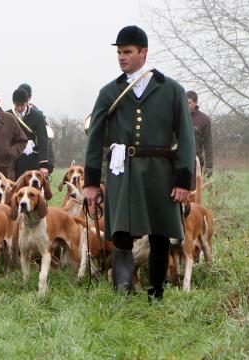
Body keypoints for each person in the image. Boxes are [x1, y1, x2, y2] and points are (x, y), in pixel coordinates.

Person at [83, 25, 195, 302]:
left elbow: (186, 137)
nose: (122, 57)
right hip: (124, 172)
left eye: (127, 52)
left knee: (160, 234)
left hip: (160, 170)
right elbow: (95, 138)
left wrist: (183, 181)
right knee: (121, 232)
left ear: (143, 52)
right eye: (119, 52)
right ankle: (123, 291)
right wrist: (91, 183)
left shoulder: (171, 90)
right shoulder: (110, 92)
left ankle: (156, 292)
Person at [7, 88, 50, 178]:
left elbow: (43, 140)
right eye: (17, 105)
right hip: (12, 158)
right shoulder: (7, 115)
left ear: (27, 102)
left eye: (22, 105)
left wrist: (43, 165)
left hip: (31, 157)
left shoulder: (37, 116)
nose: (19, 108)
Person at [18, 83, 56, 175]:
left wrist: (48, 163)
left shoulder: (39, 116)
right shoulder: (11, 115)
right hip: (18, 161)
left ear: (29, 97)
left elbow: (45, 140)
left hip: (36, 160)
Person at [186, 90, 213, 177]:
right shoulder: (176, 116)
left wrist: (209, 165)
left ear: (195, 103)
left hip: (195, 163)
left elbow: (208, 143)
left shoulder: (203, 119)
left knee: (193, 191)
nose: (186, 105)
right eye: (184, 102)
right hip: (177, 162)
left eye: (189, 103)